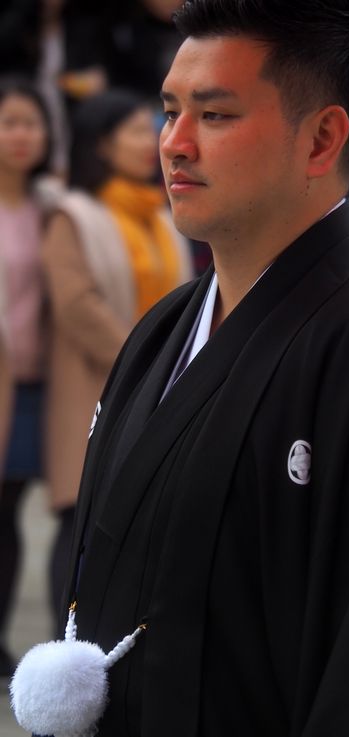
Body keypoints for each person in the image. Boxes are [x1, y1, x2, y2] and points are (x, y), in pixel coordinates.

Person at [50, 2, 349, 736]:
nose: (175, 144)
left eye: (214, 115)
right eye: (169, 111)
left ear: (321, 138)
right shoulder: (164, 330)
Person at [41, 87, 193, 621]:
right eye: (136, 129)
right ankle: (66, 639)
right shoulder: (73, 214)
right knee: (78, 516)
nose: (152, 139)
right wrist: (146, 361)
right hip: (96, 384)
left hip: (162, 384)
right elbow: (76, 304)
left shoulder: (166, 211)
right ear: (102, 145)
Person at [0, 77, 53, 679]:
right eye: (9, 121)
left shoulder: (53, 205)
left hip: (37, 385)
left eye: (30, 122)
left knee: (12, 511)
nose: (20, 135)